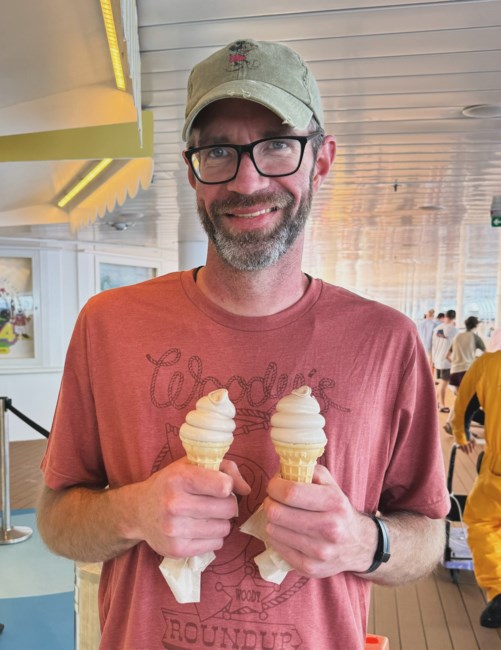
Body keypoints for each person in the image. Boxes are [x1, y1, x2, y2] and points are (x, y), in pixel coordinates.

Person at [37, 39, 449, 650]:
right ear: (191, 170)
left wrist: (363, 541)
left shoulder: (387, 342)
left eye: (277, 145)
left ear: (322, 159)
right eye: (218, 150)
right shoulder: (109, 324)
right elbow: (56, 520)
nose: (247, 180)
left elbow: (429, 535)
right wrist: (135, 511)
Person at [451, 351, 501, 628]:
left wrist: (462, 435)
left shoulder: (489, 365)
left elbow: (464, 404)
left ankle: (499, 589)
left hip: (498, 471)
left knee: (483, 523)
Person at [443, 316, 485, 434]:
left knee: (460, 399)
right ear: (476, 326)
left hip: (455, 372)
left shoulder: (457, 337)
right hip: (467, 372)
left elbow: (447, 356)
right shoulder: (475, 338)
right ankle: (458, 426)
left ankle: (451, 423)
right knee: (470, 401)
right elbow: (486, 354)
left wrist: (456, 363)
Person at [432, 309, 457, 412]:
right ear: (454, 318)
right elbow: (456, 346)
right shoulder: (454, 330)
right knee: (444, 383)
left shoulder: (437, 328)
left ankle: (434, 403)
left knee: (442, 382)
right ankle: (441, 405)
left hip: (437, 359)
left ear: (445, 316)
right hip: (446, 361)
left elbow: (433, 343)